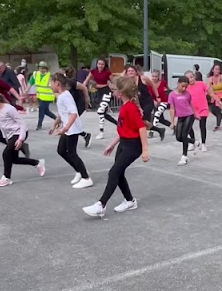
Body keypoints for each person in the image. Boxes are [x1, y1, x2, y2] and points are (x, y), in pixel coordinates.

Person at [83, 76, 150, 218]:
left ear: (121, 92)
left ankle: (101, 205)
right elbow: (125, 129)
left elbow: (142, 128)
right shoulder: (125, 106)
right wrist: (112, 145)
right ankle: (130, 201)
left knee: (113, 173)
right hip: (124, 143)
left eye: (114, 89)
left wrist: (145, 150)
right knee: (118, 173)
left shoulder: (130, 108)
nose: (112, 91)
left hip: (133, 146)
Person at [0, 88, 45, 187]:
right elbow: (2, 126)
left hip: (19, 132)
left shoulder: (9, 109)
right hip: (10, 135)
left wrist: (21, 139)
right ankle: (37, 162)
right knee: (13, 159)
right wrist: (6, 138)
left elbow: (22, 124)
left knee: (6, 154)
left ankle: (6, 178)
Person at [50, 73, 93, 189]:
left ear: (57, 83)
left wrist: (66, 128)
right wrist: (55, 123)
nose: (50, 85)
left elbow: (73, 113)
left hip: (72, 128)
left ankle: (86, 178)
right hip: (68, 127)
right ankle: (79, 170)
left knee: (72, 153)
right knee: (61, 151)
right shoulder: (61, 96)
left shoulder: (65, 96)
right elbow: (63, 112)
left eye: (51, 83)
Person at [126, 64, 166, 140]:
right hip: (138, 103)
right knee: (142, 121)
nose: (130, 72)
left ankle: (139, 137)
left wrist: (157, 96)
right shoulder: (128, 82)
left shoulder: (143, 78)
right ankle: (159, 130)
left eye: (132, 71)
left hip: (147, 102)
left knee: (142, 120)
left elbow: (152, 85)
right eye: (129, 71)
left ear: (136, 72)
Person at [184, 70, 220, 152]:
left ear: (194, 77)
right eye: (188, 78)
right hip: (191, 110)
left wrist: (218, 101)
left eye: (191, 77)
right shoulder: (185, 88)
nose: (190, 79)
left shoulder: (201, 84)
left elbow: (211, 93)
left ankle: (203, 143)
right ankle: (192, 142)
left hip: (202, 108)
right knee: (188, 126)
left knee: (202, 126)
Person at [84, 59, 119, 139]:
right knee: (102, 113)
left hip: (106, 91)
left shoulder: (107, 73)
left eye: (102, 64)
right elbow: (86, 81)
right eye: (99, 64)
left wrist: (116, 90)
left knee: (100, 111)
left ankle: (101, 132)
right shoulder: (93, 71)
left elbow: (114, 81)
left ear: (104, 65)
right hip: (99, 92)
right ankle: (119, 124)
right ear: (97, 64)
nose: (100, 66)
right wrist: (82, 88)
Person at [168, 76, 197, 166]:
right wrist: (172, 122)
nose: (184, 88)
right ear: (178, 83)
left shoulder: (187, 94)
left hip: (189, 115)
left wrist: (195, 114)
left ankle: (184, 156)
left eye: (186, 87)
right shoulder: (172, 95)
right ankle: (194, 142)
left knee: (184, 135)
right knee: (179, 137)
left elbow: (190, 104)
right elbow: (172, 109)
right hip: (180, 117)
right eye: (182, 86)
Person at [29, 61, 56, 130]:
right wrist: (26, 91)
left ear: (46, 69)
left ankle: (39, 125)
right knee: (46, 111)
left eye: (44, 68)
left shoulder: (49, 76)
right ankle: (58, 119)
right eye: (40, 68)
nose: (42, 70)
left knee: (41, 109)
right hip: (40, 96)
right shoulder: (36, 74)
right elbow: (30, 82)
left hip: (48, 97)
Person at [208, 64, 222, 130]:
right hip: (214, 96)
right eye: (215, 69)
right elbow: (208, 89)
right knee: (213, 110)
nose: (217, 70)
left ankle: (218, 126)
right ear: (212, 70)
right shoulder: (210, 79)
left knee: (217, 110)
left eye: (218, 69)